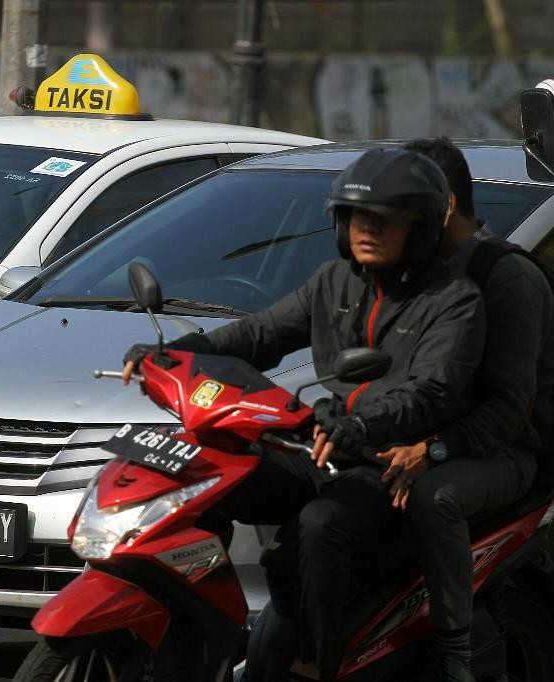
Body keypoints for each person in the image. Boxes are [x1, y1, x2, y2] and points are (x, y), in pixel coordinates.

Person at [122, 147, 486, 681]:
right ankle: (192, 628)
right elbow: (260, 333)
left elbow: (430, 392)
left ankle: (318, 661)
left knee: (319, 528)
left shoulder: (454, 300)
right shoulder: (334, 280)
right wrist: (183, 353)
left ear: (423, 228)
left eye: (385, 220)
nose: (368, 229)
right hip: (314, 447)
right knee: (201, 475)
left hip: (389, 462)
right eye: (358, 217)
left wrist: (361, 423)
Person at [370, 137, 554, 682]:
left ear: (443, 205)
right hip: (439, 442)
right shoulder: (420, 277)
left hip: (513, 454)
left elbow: (509, 410)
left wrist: (432, 451)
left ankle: (461, 657)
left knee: (437, 499)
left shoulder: (508, 278)